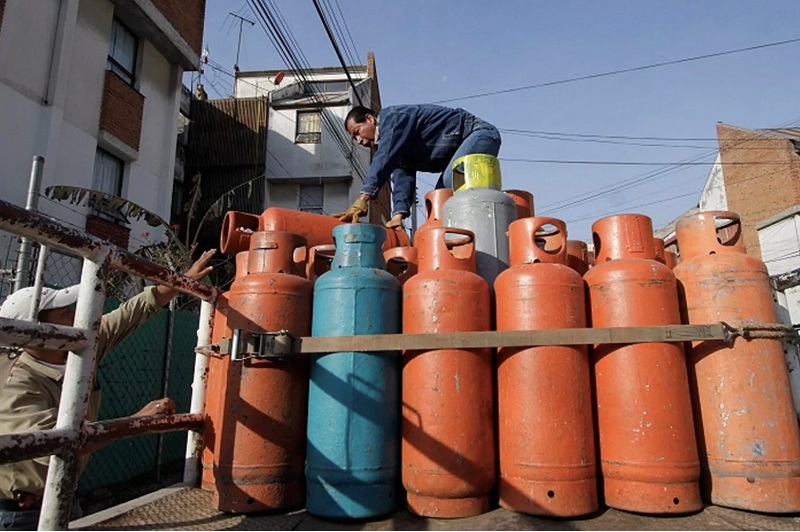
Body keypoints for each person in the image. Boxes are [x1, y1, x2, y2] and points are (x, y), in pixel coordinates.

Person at [0, 249, 216, 530]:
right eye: (65, 311)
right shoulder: (18, 385)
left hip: (64, 495)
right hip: (21, 513)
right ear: (38, 330)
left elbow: (129, 314)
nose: (76, 313)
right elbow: (66, 440)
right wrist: (138, 420)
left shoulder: (78, 348)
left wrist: (179, 282)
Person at [337, 104, 501, 227]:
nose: (359, 141)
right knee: (439, 198)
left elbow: (384, 159)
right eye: (354, 138)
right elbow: (402, 177)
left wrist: (363, 198)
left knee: (444, 194)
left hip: (479, 134)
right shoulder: (397, 147)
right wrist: (398, 216)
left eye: (357, 132)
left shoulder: (393, 119)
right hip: (465, 143)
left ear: (370, 119)